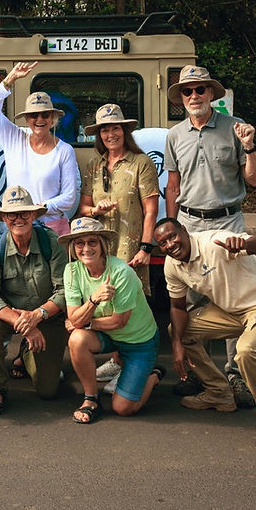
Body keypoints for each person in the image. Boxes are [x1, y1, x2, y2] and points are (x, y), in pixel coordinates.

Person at [153, 218, 256, 450]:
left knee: (247, 351)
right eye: (162, 243)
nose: (170, 244)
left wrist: (244, 245)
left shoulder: (214, 242)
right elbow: (178, 308)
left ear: (184, 230)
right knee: (179, 331)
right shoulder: (172, 265)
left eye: (172, 236)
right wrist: (177, 344)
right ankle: (219, 392)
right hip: (234, 312)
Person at [163, 65, 256, 407]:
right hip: (189, 225)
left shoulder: (236, 128)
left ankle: (236, 376)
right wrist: (171, 225)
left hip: (228, 223)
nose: (194, 96)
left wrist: (249, 148)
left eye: (200, 90)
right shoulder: (174, 135)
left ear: (211, 94)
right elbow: (173, 186)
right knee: (190, 302)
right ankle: (204, 378)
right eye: (187, 92)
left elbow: (254, 180)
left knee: (234, 298)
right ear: (182, 98)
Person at [78, 104, 160, 393]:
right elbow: (83, 207)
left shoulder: (141, 162)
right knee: (106, 302)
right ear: (99, 135)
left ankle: (128, 365)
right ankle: (116, 359)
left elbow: (151, 209)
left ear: (124, 131)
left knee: (130, 305)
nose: (110, 134)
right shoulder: (94, 164)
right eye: (104, 129)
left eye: (115, 128)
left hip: (129, 245)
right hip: (100, 249)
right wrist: (95, 210)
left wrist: (147, 247)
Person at [61, 218, 164, 424]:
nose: (86, 248)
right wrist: (93, 299)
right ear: (73, 248)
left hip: (138, 342)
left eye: (92, 242)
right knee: (77, 339)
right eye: (80, 243)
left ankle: (152, 375)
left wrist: (85, 322)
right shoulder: (71, 271)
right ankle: (91, 398)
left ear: (103, 245)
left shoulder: (121, 272)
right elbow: (73, 318)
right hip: (108, 335)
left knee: (123, 408)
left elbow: (119, 322)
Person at [0, 187, 68, 414]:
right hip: (13, 316)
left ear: (34, 215)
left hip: (48, 316)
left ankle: (26, 354)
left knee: (47, 390)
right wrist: (24, 324)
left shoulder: (52, 243)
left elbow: (65, 291)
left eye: (24, 213)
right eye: (12, 214)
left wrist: (37, 316)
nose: (18, 219)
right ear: (4, 219)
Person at [0, 61, 80, 235]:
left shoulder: (64, 150)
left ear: (53, 118)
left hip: (52, 227)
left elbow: (69, 197)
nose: (39, 119)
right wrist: (10, 79)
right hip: (17, 225)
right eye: (33, 115)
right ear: (27, 119)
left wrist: (39, 209)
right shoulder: (14, 138)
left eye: (45, 114)